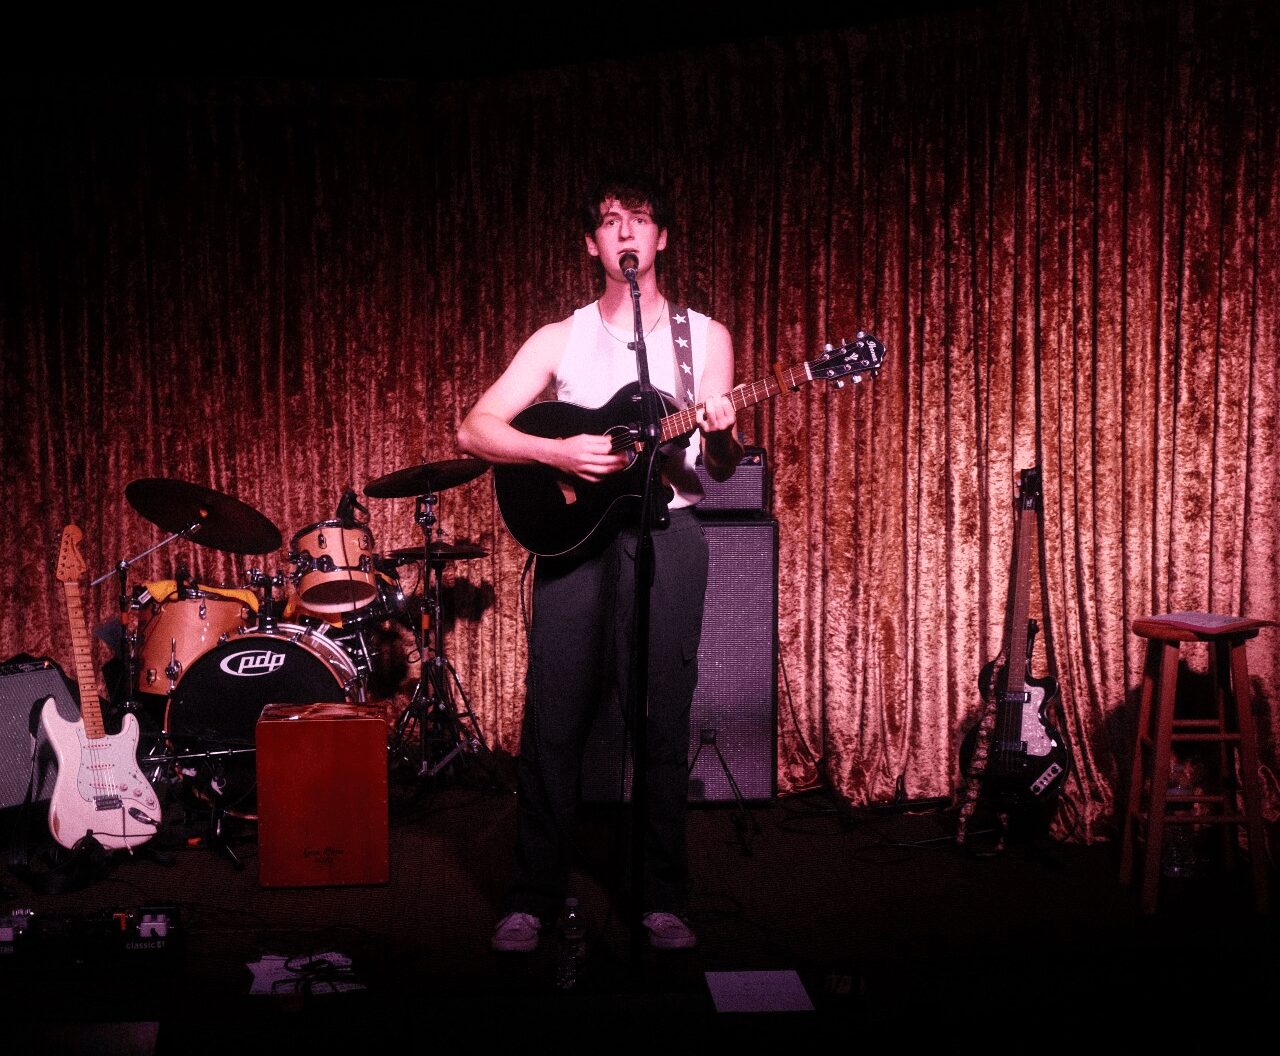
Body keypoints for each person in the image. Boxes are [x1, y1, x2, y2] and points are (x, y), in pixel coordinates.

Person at [457, 173, 742, 952]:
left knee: (661, 720)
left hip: (669, 536)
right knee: (554, 719)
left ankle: (661, 898)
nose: (625, 232)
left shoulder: (704, 337)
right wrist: (555, 452)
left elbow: (719, 466)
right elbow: (474, 429)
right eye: (611, 221)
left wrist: (720, 429)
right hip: (577, 542)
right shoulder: (561, 337)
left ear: (660, 238)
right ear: (592, 244)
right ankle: (531, 896)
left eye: (639, 219)